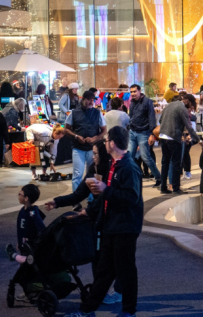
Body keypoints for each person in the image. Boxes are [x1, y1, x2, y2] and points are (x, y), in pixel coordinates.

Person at [64, 126, 143, 317]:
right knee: (104, 272)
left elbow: (131, 197)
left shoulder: (128, 167)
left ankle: (128, 311)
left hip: (125, 227)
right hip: (112, 226)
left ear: (112, 144)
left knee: (125, 272)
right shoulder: (116, 164)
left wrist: (105, 190)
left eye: (107, 140)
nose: (105, 143)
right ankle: (87, 310)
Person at [46, 141, 122, 306]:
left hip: (112, 221)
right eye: (93, 153)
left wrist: (88, 211)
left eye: (96, 154)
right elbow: (77, 195)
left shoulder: (111, 171)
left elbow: (105, 199)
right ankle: (103, 292)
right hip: (97, 221)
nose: (93, 157)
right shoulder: (92, 172)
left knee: (113, 258)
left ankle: (115, 292)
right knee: (98, 257)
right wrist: (56, 202)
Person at [6, 184, 46, 305]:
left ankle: (31, 291)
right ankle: (30, 291)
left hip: (31, 248)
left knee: (27, 269)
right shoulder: (23, 211)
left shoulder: (32, 212)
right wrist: (19, 241)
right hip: (24, 246)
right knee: (27, 269)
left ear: (26, 198)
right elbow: (20, 229)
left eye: (20, 194)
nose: (18, 195)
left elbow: (41, 228)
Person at [64, 90, 107, 193]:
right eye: (88, 99)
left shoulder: (97, 112)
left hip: (93, 149)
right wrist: (76, 136)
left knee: (92, 174)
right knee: (77, 174)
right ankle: (76, 200)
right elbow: (66, 129)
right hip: (78, 148)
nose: (91, 102)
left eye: (92, 100)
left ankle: (91, 200)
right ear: (82, 99)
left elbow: (104, 130)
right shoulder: (74, 113)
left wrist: (94, 138)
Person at [158, 95, 199, 194]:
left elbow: (160, 120)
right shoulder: (182, 108)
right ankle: (176, 188)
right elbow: (188, 126)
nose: (190, 109)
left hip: (163, 136)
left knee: (165, 163)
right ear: (188, 101)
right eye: (191, 107)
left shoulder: (169, 105)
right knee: (176, 163)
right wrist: (197, 139)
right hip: (173, 137)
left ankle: (163, 187)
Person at [127, 84, 160, 189]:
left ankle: (159, 177)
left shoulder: (147, 101)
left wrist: (151, 134)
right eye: (131, 92)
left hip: (143, 133)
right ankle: (132, 179)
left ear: (139, 91)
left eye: (134, 91)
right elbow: (131, 116)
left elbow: (151, 118)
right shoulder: (132, 102)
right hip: (132, 132)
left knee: (146, 157)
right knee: (129, 157)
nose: (132, 94)